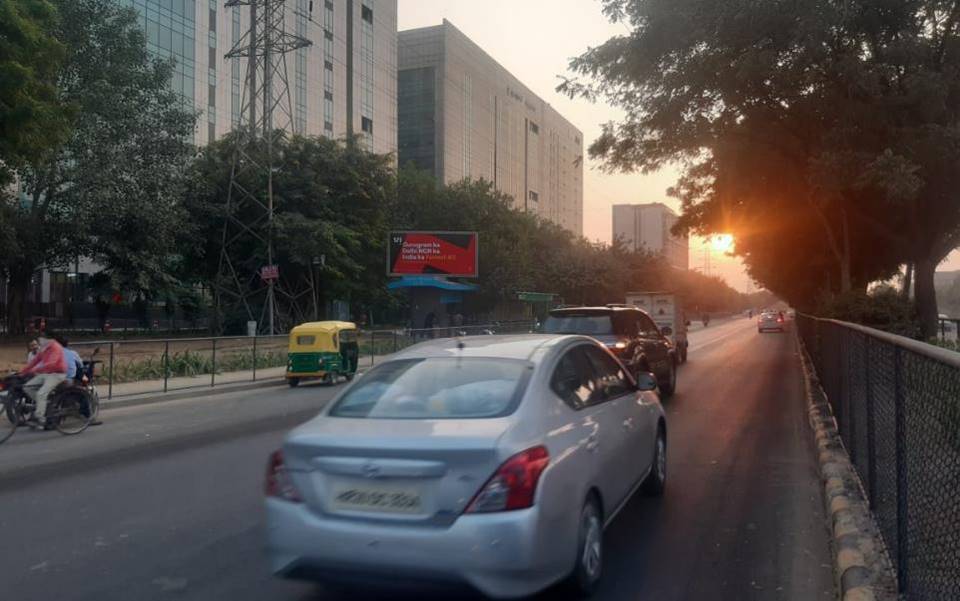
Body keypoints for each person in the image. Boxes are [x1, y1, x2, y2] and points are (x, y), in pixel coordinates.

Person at [20, 334, 68, 429]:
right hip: (47, 373)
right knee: (27, 387)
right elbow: (35, 361)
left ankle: (40, 418)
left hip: (57, 374)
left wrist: (36, 370)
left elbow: (51, 363)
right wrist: (23, 372)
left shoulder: (56, 347)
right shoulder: (43, 348)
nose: (40, 342)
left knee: (41, 394)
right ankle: (44, 404)